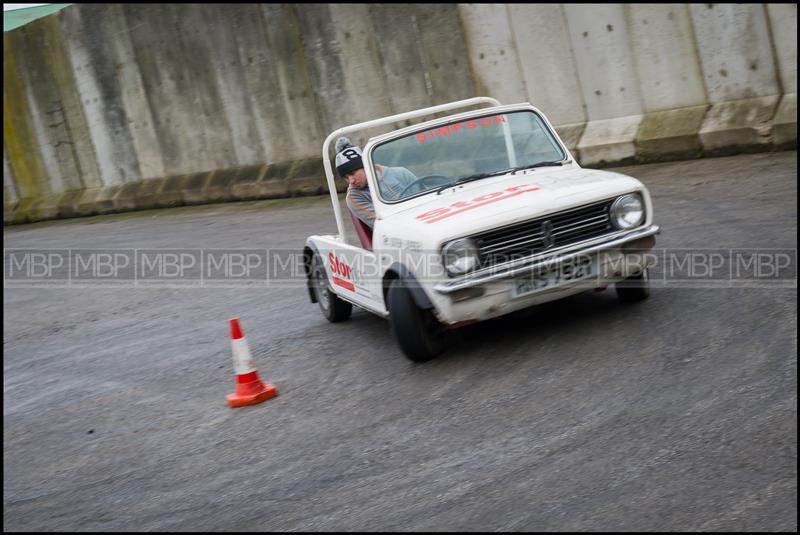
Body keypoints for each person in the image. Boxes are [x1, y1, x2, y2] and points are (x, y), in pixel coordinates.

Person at [334, 137, 417, 229]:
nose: (351, 181)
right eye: (346, 178)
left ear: (365, 165)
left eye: (352, 174)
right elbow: (383, 224)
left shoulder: (401, 173)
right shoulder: (354, 197)